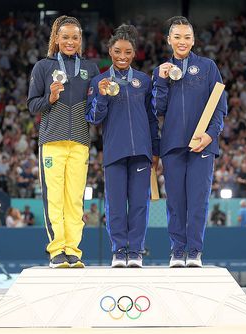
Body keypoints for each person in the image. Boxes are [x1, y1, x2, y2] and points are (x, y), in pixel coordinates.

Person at [152, 16, 228, 267]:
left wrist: (210, 134)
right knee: (175, 201)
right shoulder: (161, 70)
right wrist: (161, 81)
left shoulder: (208, 67)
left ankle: (194, 251)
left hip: (202, 145)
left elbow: (219, 106)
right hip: (173, 144)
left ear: (193, 40)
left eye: (187, 37)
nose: (182, 41)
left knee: (198, 200)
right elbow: (158, 109)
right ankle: (177, 250)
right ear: (169, 40)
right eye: (177, 37)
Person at [27, 16, 99, 268]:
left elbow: (96, 107)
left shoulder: (91, 69)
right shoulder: (43, 67)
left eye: (75, 37)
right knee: (54, 199)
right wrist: (51, 97)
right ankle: (57, 251)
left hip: (80, 141)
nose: (70, 41)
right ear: (56, 39)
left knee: (75, 199)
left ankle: (73, 251)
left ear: (81, 41)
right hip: (52, 142)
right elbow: (32, 105)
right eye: (65, 37)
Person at [86, 24, 159, 268]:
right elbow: (94, 118)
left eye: (128, 52)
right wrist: (102, 95)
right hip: (114, 152)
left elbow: (151, 118)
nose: (122, 57)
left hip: (141, 152)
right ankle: (119, 251)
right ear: (110, 51)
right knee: (115, 205)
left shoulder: (144, 81)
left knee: (139, 204)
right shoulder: (99, 81)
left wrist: (155, 150)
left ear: (134, 53)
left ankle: (136, 251)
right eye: (118, 51)